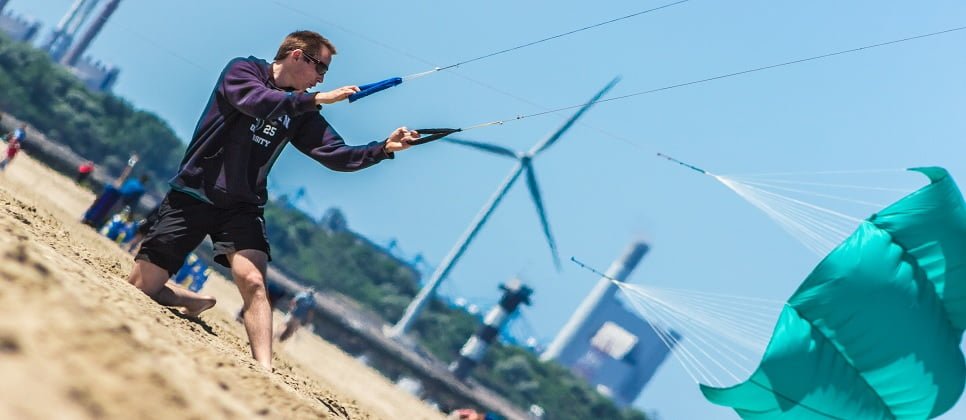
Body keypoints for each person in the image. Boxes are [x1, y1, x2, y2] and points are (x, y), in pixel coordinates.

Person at [125, 30, 420, 370]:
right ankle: (188, 299)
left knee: (254, 283)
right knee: (140, 286)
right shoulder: (242, 71)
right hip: (196, 191)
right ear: (297, 56)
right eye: (320, 68)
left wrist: (383, 148)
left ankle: (265, 367)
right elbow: (256, 101)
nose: (321, 79)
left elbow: (336, 154)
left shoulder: (301, 109)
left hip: (242, 205)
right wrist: (317, 99)